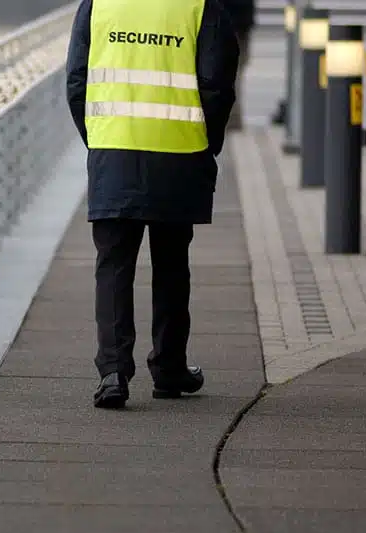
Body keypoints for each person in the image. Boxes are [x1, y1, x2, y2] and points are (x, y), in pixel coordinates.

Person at [65, 0, 239, 408]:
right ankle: (169, 368)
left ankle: (112, 372)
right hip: (179, 152)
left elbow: (76, 81)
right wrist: (205, 143)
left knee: (113, 264)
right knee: (172, 266)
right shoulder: (199, 6)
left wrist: (100, 140)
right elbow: (217, 83)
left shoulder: (99, 4)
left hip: (115, 150)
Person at [221, 0, 256, 130]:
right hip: (240, 25)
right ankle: (232, 119)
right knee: (234, 75)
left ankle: (229, 118)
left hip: (225, 23)